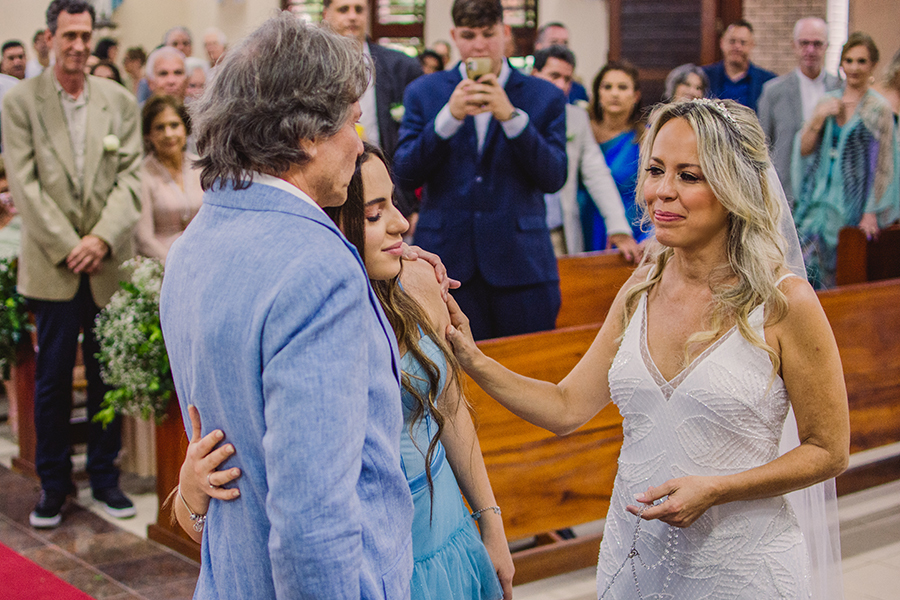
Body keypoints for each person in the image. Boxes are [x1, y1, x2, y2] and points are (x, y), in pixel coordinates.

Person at [445, 98, 850, 600]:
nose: (661, 191)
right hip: (635, 559)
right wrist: (473, 359)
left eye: (689, 176)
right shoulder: (642, 287)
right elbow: (565, 407)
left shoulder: (784, 301)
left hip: (741, 567)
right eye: (656, 170)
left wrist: (718, 488)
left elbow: (828, 450)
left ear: (735, 187)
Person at [174, 143, 514, 600]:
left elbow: (451, 411)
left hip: (449, 533)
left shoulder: (416, 281)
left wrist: (491, 523)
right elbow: (232, 520)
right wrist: (190, 491)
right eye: (374, 214)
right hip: (374, 562)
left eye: (393, 203)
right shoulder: (305, 316)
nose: (400, 222)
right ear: (332, 225)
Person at [158, 13, 415, 598]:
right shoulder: (316, 264)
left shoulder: (193, 244)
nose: (359, 142)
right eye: (350, 121)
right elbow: (312, 520)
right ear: (305, 136)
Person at [1, 0, 141, 528]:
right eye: (69, 36)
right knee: (54, 380)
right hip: (53, 264)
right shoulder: (22, 102)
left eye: (86, 35)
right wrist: (70, 245)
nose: (79, 45)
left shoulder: (117, 100)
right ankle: (54, 485)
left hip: (106, 261)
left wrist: (101, 238)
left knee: (108, 375)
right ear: (50, 39)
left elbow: (130, 177)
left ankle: (105, 477)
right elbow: (24, 183)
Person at [394, 0, 567, 341]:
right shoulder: (424, 92)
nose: (479, 45)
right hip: (446, 263)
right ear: (454, 36)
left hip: (522, 265)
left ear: (505, 33)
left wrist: (512, 119)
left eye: (488, 34)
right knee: (450, 367)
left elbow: (553, 177)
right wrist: (448, 119)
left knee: (527, 364)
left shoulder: (544, 95)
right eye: (469, 35)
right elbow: (405, 171)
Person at [792, 32, 899, 289]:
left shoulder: (879, 109)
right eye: (849, 60)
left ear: (873, 64)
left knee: (840, 280)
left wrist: (871, 212)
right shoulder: (827, 100)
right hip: (817, 202)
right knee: (803, 273)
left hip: (852, 207)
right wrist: (818, 118)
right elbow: (803, 150)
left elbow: (885, 164)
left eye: (861, 61)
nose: (854, 67)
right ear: (841, 63)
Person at [531, 46, 639, 259]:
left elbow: (596, 173)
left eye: (567, 79)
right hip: (515, 231)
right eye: (554, 76)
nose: (561, 85)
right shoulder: (512, 114)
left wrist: (618, 227)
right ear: (535, 74)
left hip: (558, 232)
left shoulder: (576, 119)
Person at [322, 0, 422, 216]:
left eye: (359, 9)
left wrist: (414, 208)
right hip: (329, 193)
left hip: (391, 192)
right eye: (343, 9)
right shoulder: (313, 68)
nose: (352, 16)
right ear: (325, 14)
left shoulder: (401, 67)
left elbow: (417, 143)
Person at [758, 17, 841, 207]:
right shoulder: (773, 91)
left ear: (827, 46)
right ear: (794, 45)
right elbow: (761, 145)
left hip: (827, 197)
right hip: (785, 194)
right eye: (804, 43)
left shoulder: (839, 88)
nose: (810, 50)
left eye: (817, 44)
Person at [585, 61, 647, 250]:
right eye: (607, 87)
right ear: (598, 93)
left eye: (622, 87)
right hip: (581, 229)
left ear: (635, 95)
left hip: (628, 235)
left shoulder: (644, 137)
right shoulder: (582, 131)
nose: (614, 93)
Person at [135, 95, 202, 262]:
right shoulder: (142, 175)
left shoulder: (202, 168)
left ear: (185, 128)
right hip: (163, 264)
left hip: (205, 259)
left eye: (174, 125)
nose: (168, 134)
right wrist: (177, 265)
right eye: (159, 128)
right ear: (148, 135)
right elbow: (144, 239)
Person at [703, 20, 776, 112]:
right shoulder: (704, 77)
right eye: (732, 41)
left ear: (752, 45)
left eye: (743, 42)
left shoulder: (768, 82)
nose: (737, 47)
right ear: (722, 43)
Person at [533, 22, 589, 105]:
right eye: (554, 42)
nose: (561, 46)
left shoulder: (578, 90)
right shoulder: (521, 85)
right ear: (538, 46)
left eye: (565, 43)